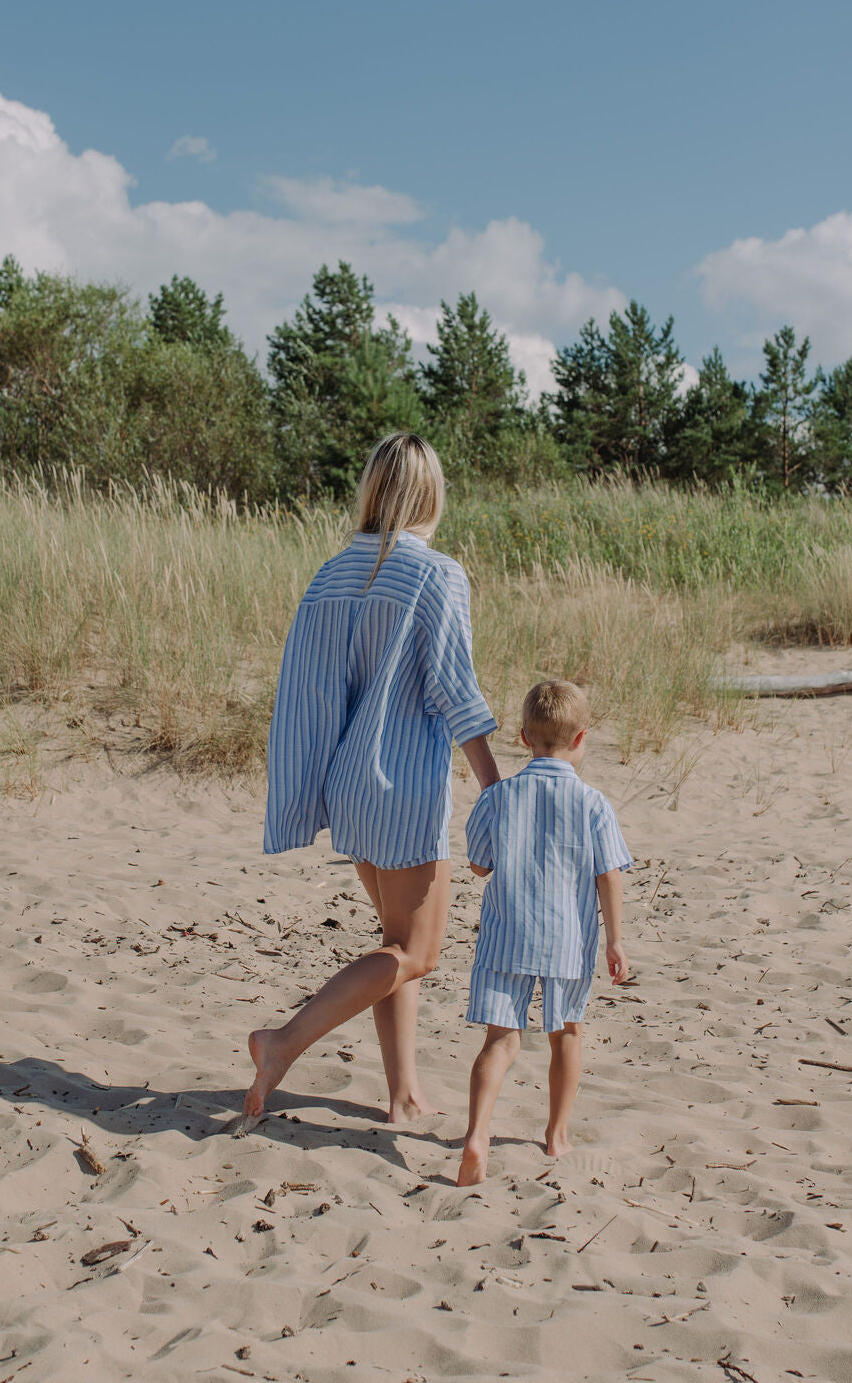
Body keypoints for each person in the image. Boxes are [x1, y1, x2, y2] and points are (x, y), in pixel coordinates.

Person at [245, 432, 499, 1124]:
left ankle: (403, 1091)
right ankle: (283, 1042)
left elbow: (306, 693)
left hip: (348, 783)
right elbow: (454, 690)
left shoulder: (329, 575)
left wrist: (308, 790)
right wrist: (496, 788)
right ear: (431, 494)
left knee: (395, 943)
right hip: (404, 786)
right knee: (416, 953)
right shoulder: (436, 574)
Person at [456, 679, 632, 1186]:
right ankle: (556, 1135)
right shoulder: (594, 804)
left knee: (500, 1040)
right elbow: (608, 875)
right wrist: (615, 940)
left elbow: (478, 866)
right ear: (581, 739)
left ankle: (477, 1134)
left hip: (506, 935)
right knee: (566, 1035)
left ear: (523, 737)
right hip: (567, 940)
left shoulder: (498, 799)